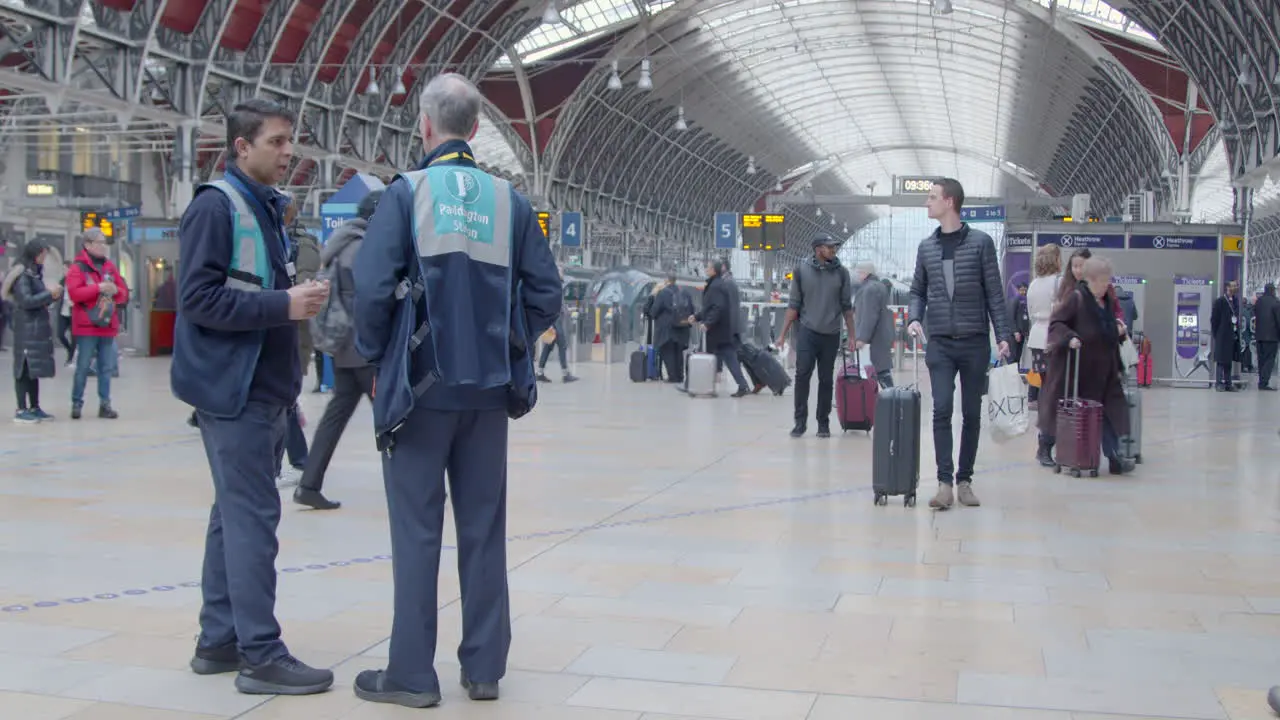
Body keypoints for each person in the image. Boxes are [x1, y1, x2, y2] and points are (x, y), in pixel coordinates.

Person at [350, 73, 561, 709]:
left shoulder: (405, 193)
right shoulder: (510, 202)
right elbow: (546, 294)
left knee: (416, 532)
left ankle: (413, 675)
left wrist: (376, 354)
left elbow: (369, 290)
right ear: (474, 129)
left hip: (420, 393)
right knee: (484, 529)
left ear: (425, 126)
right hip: (487, 395)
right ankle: (485, 668)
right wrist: (506, 341)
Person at [171, 98, 335, 696]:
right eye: (277, 141)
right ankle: (260, 653)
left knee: (232, 517)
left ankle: (218, 640)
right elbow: (197, 299)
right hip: (233, 393)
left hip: (264, 390)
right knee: (253, 521)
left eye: (290, 141)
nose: (289, 152)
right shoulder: (217, 208)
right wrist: (283, 305)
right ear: (241, 146)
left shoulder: (267, 210)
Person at [906, 178, 1010, 509]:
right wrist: (913, 317)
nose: (927, 203)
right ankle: (943, 483)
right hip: (940, 343)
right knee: (941, 408)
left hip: (975, 341)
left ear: (950, 202)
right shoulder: (926, 247)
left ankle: (965, 480)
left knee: (971, 412)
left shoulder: (981, 243)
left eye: (932, 197)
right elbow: (918, 290)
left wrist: (1003, 335)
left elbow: (994, 291)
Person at [293, 189, 384, 511]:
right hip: (363, 349)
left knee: (334, 418)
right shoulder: (361, 249)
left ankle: (309, 483)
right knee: (393, 418)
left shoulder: (341, 243)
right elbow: (370, 300)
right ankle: (413, 487)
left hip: (345, 348)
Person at [1037, 256, 1134, 475]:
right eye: (1102, 281)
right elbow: (1057, 323)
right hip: (1080, 371)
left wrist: (1117, 331)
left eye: (1107, 281)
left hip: (1105, 369)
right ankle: (1059, 451)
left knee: (1109, 413)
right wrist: (1069, 337)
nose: (1106, 285)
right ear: (1090, 280)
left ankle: (1114, 456)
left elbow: (1103, 329)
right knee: (1077, 414)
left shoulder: (1105, 300)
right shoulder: (1077, 298)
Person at [775, 235, 855, 437]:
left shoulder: (842, 274)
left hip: (831, 334)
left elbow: (847, 307)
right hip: (807, 333)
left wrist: (852, 336)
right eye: (829, 247)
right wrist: (782, 335)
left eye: (834, 247)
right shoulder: (801, 272)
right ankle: (800, 422)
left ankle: (823, 423)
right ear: (818, 249)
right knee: (802, 376)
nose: (834, 250)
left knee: (826, 380)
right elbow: (793, 305)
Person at [65, 228, 129, 419]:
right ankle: (77, 403)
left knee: (106, 367)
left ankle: (105, 404)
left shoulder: (110, 267)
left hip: (107, 326)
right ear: (88, 244)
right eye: (99, 243)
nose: (103, 247)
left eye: (104, 243)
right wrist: (98, 288)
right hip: (86, 326)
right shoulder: (77, 268)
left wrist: (114, 289)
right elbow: (75, 294)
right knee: (83, 366)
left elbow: (123, 293)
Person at [3, 240, 60, 423]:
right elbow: (26, 301)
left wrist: (51, 297)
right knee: (23, 369)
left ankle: (34, 406)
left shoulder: (35, 273)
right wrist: (48, 294)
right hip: (26, 328)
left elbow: (38, 299)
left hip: (36, 328)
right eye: (42, 254)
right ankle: (21, 409)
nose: (44, 258)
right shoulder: (22, 274)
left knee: (33, 371)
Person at [691, 259, 750, 399]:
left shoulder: (716, 286)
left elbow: (717, 308)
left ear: (714, 270)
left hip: (718, 331)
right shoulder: (716, 284)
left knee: (714, 357)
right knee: (727, 359)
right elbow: (710, 308)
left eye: (708, 267)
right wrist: (697, 316)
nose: (706, 269)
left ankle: (701, 386)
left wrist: (708, 323)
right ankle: (740, 385)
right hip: (721, 330)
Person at [1026, 244, 1061, 461]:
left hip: (1037, 337)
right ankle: (1047, 443)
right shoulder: (1058, 282)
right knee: (1055, 393)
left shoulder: (1033, 285)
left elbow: (1030, 312)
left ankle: (1045, 441)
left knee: (1045, 391)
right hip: (1054, 337)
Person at [852, 261, 894, 388]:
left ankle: (891, 398)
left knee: (878, 371)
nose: (858, 275)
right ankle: (890, 399)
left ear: (865, 273)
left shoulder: (870, 289)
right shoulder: (878, 286)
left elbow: (868, 316)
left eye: (859, 272)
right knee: (879, 370)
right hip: (879, 337)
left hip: (874, 339)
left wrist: (861, 338)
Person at [645, 271, 691, 384]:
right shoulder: (684, 292)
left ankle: (672, 377)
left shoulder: (663, 293)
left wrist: (653, 294)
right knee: (678, 353)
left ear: (666, 281)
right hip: (682, 328)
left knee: (668, 352)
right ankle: (680, 376)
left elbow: (652, 312)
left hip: (666, 330)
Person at [1210, 280, 1241, 392]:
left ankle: (1228, 383)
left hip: (1232, 335)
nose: (1235, 288)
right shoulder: (1220, 302)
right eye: (1232, 286)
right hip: (1222, 335)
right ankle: (1219, 383)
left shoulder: (1236, 301)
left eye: (1235, 286)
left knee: (1228, 359)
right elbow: (1214, 320)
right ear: (1227, 287)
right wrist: (1217, 334)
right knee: (1220, 360)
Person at [1253, 282, 1279, 390]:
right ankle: (1264, 383)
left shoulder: (1259, 302)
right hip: (1272, 337)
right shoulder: (1276, 302)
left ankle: (1261, 381)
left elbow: (1255, 315)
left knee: (1261, 359)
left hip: (1259, 336)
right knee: (1269, 360)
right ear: (1273, 290)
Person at [1008, 282, 1030, 369]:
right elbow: (1011, 317)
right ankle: (1011, 377)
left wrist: (1026, 331)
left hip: (1022, 333)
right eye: (1021, 290)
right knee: (1013, 357)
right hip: (1014, 334)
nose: (1023, 292)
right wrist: (1015, 331)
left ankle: (1015, 376)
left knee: (1018, 357)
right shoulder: (1014, 300)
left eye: (1025, 290)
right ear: (1017, 290)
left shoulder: (1025, 301)